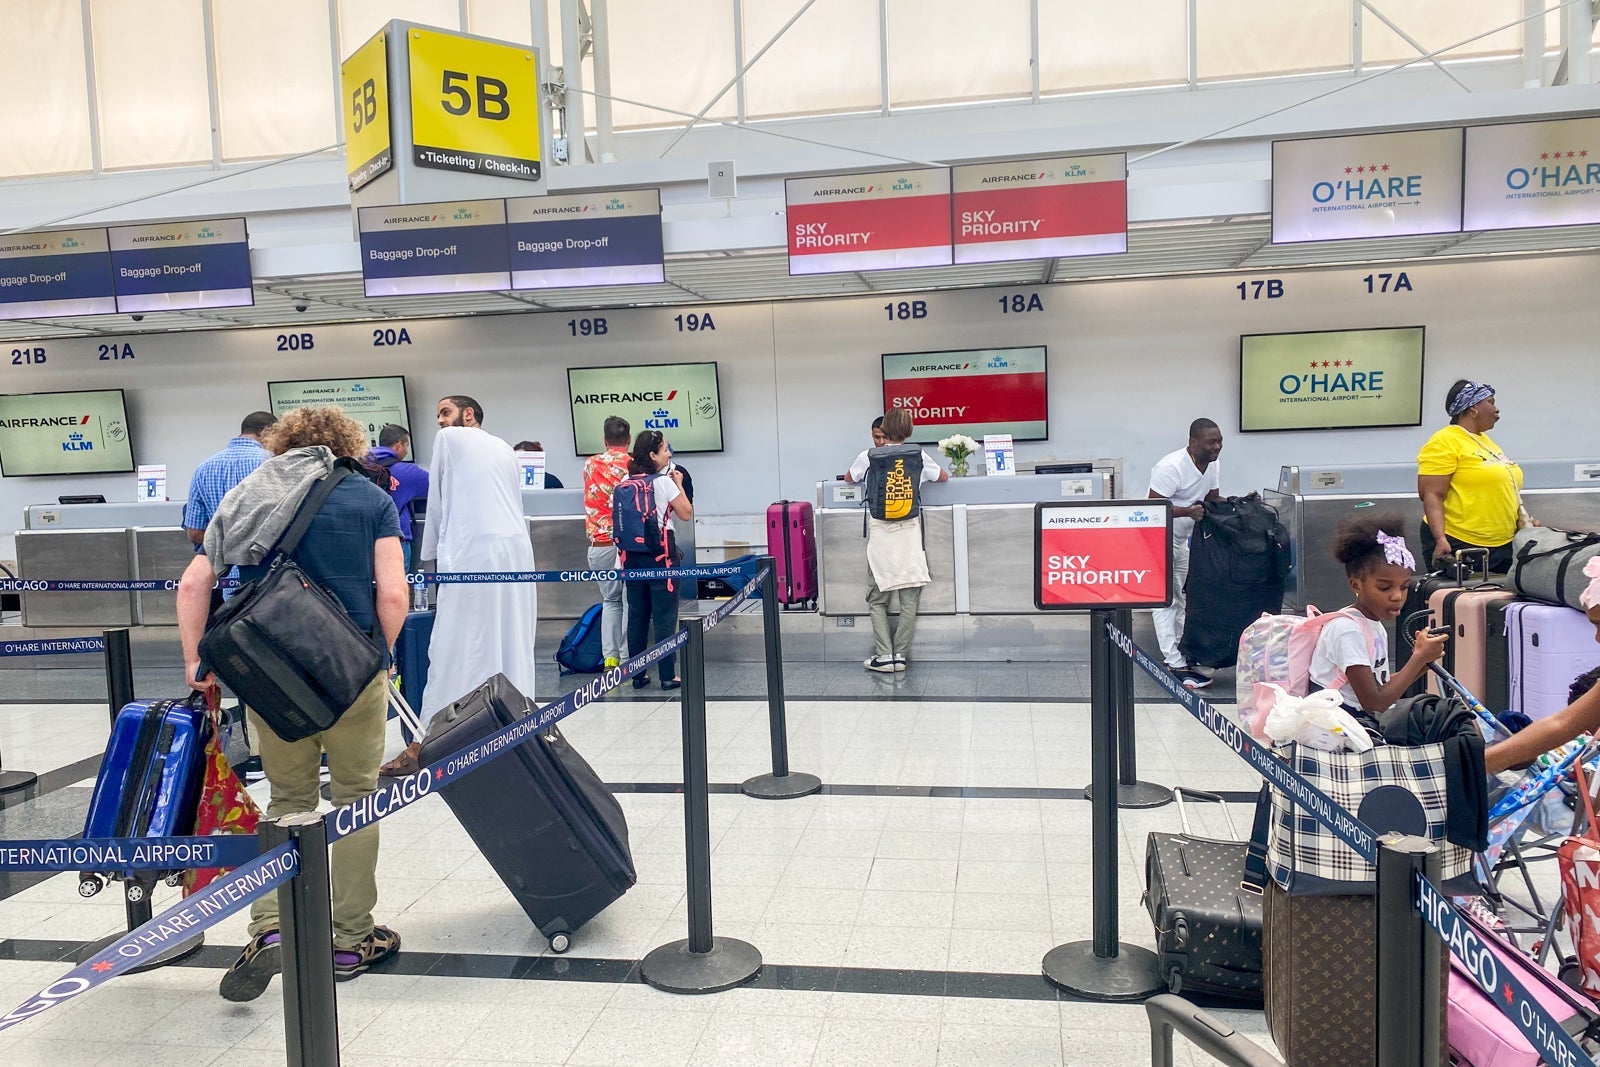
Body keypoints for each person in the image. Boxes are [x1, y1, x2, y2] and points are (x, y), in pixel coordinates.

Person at [175, 406, 407, 998]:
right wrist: (377, 657)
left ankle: (273, 928)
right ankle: (350, 939)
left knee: (287, 800)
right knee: (356, 798)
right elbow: (393, 594)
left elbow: (194, 582)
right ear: (347, 445)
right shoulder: (370, 499)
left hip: (270, 672)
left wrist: (197, 664)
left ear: (282, 444)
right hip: (350, 672)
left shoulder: (252, 493)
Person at [1313, 511, 1600, 776]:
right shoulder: (1346, 630)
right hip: (1339, 734)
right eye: (1384, 587)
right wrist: (1417, 659)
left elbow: (1380, 691)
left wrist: (1421, 661)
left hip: (1360, 728)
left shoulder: (1372, 625)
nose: (1397, 596)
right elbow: (1374, 702)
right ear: (1356, 585)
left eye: (1403, 587)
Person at [382, 406, 539, 774]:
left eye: (445, 411)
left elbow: (438, 499)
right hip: (515, 553)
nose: (439, 420)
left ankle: (427, 743)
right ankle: (513, 727)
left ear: (469, 414)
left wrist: (432, 553)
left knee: (452, 644)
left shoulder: (450, 438)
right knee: (510, 640)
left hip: (470, 551)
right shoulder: (504, 447)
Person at [848, 408, 947, 673]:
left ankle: (884, 656)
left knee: (877, 599)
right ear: (908, 429)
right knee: (909, 599)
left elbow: (850, 478)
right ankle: (900, 655)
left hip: (881, 535)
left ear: (885, 429)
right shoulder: (919, 455)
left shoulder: (868, 456)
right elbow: (942, 477)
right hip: (909, 535)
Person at [1416, 380, 1533, 574]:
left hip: (1503, 545)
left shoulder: (1485, 441)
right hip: (1459, 542)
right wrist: (1440, 539)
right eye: (1490, 402)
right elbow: (1431, 494)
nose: (1496, 409)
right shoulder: (1445, 440)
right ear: (1473, 408)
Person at [1147, 418, 1224, 690]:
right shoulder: (1171, 467)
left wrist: (1239, 505)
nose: (1217, 447)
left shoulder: (1212, 464)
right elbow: (1152, 508)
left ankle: (1185, 653)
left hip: (1181, 541)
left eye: (1220, 441)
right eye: (1211, 442)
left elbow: (1212, 498)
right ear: (1193, 442)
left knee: (1182, 598)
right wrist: (1187, 511)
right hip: (1158, 539)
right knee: (1165, 600)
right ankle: (1173, 661)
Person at [618, 430, 692, 690]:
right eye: (664, 450)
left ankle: (638, 675)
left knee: (637, 614)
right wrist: (679, 484)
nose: (669, 454)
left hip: (631, 556)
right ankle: (668, 675)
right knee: (664, 615)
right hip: (661, 555)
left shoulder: (625, 480)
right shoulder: (663, 482)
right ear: (652, 455)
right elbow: (685, 513)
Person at [581, 416, 632, 669]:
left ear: (604, 440)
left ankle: (610, 658)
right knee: (628, 602)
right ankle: (628, 659)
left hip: (599, 546)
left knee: (610, 601)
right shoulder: (634, 464)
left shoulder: (590, 464)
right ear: (629, 439)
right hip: (628, 546)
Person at [183, 411, 277, 545]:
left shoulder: (203, 469)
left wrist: (226, 544)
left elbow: (194, 533)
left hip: (220, 556)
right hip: (263, 555)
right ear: (264, 432)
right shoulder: (273, 462)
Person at [368, 424, 429, 571]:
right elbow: (442, 486)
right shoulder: (408, 472)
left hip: (365, 540)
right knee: (396, 583)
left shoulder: (358, 467)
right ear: (398, 445)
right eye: (406, 445)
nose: (406, 451)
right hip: (396, 540)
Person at [841, 416, 888, 482]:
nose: (882, 442)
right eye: (877, 437)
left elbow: (848, 478)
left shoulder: (866, 455)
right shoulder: (865, 456)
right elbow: (848, 478)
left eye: (885, 437)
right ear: (872, 435)